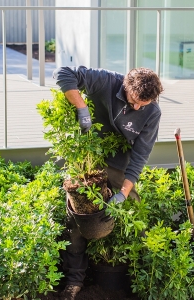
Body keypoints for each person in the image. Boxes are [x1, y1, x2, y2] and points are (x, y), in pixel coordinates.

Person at [52, 65, 163, 299]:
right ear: (126, 86)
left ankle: (136, 277)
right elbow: (63, 73)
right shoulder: (106, 81)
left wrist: (123, 192)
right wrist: (81, 107)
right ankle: (75, 280)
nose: (136, 108)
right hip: (86, 161)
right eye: (134, 101)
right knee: (76, 219)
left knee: (133, 211)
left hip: (117, 165)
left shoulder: (152, 111)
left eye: (142, 105)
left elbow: (141, 154)